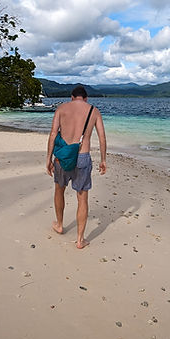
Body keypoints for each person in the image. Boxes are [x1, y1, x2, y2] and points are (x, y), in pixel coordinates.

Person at [46, 85, 107, 249]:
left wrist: (48, 158)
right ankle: (80, 240)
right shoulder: (93, 110)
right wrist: (103, 159)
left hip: (62, 157)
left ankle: (59, 225)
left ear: (72, 97)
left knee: (59, 189)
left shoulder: (61, 108)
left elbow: (53, 134)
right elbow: (102, 136)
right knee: (82, 197)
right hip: (83, 156)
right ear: (85, 98)